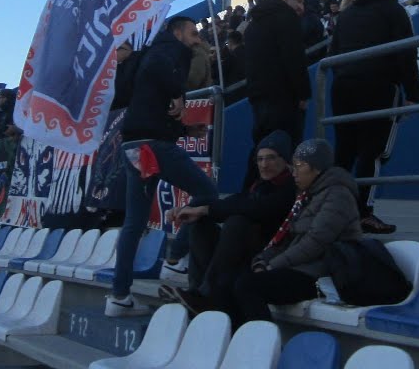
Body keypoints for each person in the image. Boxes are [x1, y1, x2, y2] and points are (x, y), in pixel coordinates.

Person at [106, 17, 219, 317]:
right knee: (208, 192)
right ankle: (175, 258)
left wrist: (183, 131)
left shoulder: (154, 54)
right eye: (194, 33)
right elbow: (163, 77)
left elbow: (148, 104)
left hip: (135, 145)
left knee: (134, 222)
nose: (197, 40)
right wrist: (177, 93)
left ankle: (119, 296)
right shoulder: (165, 50)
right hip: (152, 146)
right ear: (177, 31)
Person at [223, 139, 362, 328]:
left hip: (321, 276)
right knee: (230, 280)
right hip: (300, 268)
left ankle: (263, 347)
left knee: (248, 286)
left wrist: (273, 265)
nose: (294, 173)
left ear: (317, 168)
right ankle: (238, 341)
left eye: (300, 166)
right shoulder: (308, 195)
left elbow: (315, 243)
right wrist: (263, 259)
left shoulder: (338, 195)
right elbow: (286, 237)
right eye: (293, 166)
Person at [328, 0, 419, 234]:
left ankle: (335, 212)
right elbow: (406, 53)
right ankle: (363, 213)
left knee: (345, 152)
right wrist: (413, 94)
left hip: (344, 88)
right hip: (378, 87)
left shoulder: (347, 15)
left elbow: (332, 55)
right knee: (374, 151)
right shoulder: (393, 11)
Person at [162, 131, 297, 316]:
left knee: (236, 222)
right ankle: (196, 292)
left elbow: (259, 208)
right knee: (202, 225)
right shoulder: (259, 185)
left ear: (285, 160)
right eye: (260, 159)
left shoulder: (291, 186)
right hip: (246, 250)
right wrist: (195, 210)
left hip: (271, 253)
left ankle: (206, 295)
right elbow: (235, 201)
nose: (264, 165)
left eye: (271, 158)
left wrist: (204, 209)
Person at [241, 0, 311, 188]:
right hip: (282, 97)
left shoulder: (254, 25)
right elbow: (294, 59)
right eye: (298, 1)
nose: (301, 8)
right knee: (284, 153)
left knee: (260, 151)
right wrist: (303, 93)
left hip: (259, 97)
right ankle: (282, 204)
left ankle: (250, 200)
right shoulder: (286, 18)